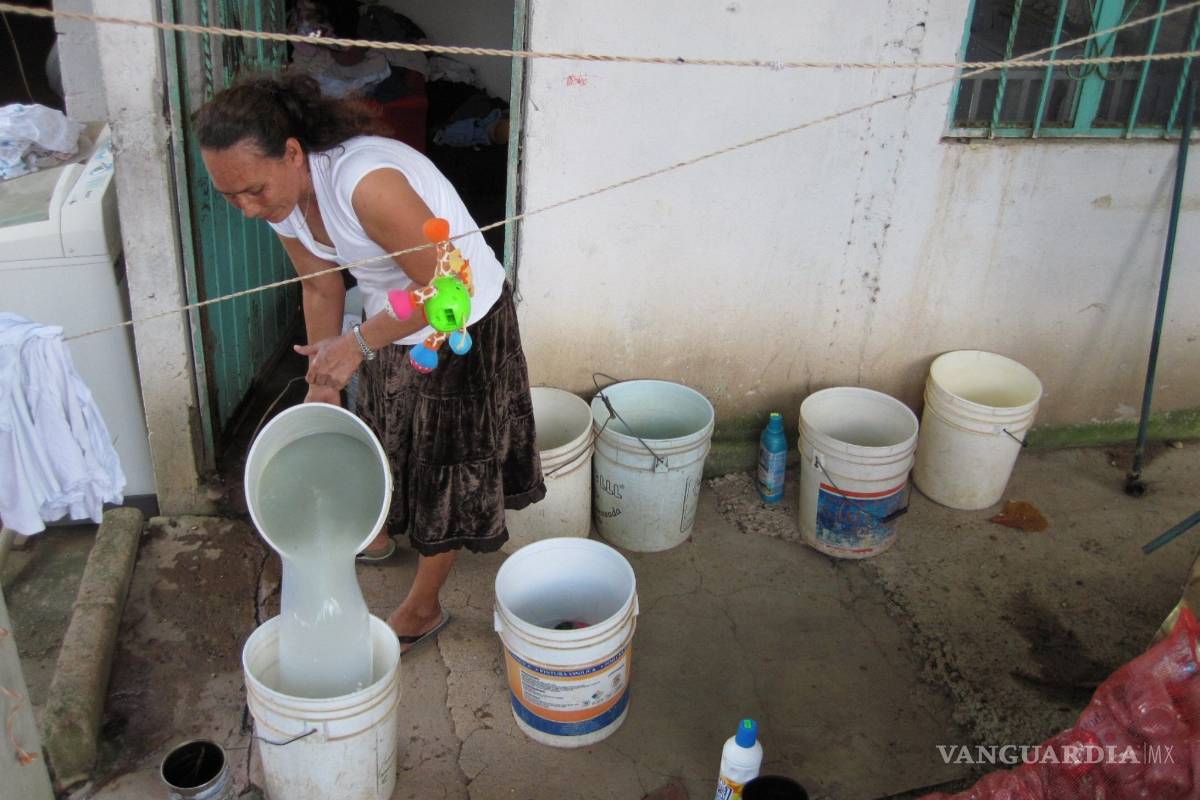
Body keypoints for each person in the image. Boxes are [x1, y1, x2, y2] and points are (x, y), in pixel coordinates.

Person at [195, 74, 545, 652]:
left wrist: (356, 346)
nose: (248, 210)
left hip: (460, 320)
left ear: (291, 153)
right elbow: (319, 285)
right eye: (230, 196)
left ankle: (423, 608)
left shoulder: (365, 184)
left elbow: (448, 290)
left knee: (445, 464)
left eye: (252, 191)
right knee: (385, 435)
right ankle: (377, 531)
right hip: (395, 318)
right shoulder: (283, 198)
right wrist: (322, 380)